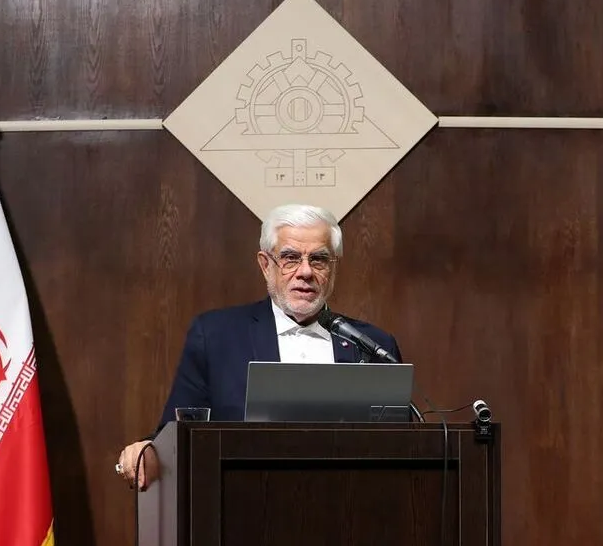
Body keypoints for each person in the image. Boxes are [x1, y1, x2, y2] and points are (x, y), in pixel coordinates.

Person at [113, 203, 401, 490]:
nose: (305, 272)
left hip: (350, 503)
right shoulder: (216, 337)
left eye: (319, 259)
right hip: (244, 502)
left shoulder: (374, 346)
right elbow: (175, 436)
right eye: (290, 258)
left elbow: (399, 447)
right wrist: (147, 452)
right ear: (265, 265)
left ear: (333, 268)